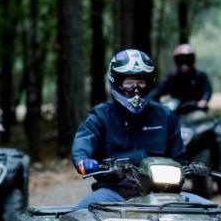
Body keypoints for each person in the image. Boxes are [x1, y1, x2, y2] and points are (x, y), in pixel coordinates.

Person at [71, 49, 206, 210]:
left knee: (210, 211)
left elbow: (179, 158)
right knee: (79, 214)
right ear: (116, 82)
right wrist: (83, 160)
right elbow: (84, 141)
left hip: (166, 194)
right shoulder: (100, 116)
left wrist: (192, 167)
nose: (136, 89)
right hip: (115, 192)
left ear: (150, 82)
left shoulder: (165, 116)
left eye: (141, 82)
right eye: (129, 82)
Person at [150, 43, 213, 111]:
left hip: (196, 109)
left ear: (192, 60)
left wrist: (204, 100)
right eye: (180, 60)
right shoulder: (172, 77)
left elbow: (207, 90)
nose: (184, 64)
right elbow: (158, 92)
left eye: (188, 60)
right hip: (177, 110)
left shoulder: (200, 75)